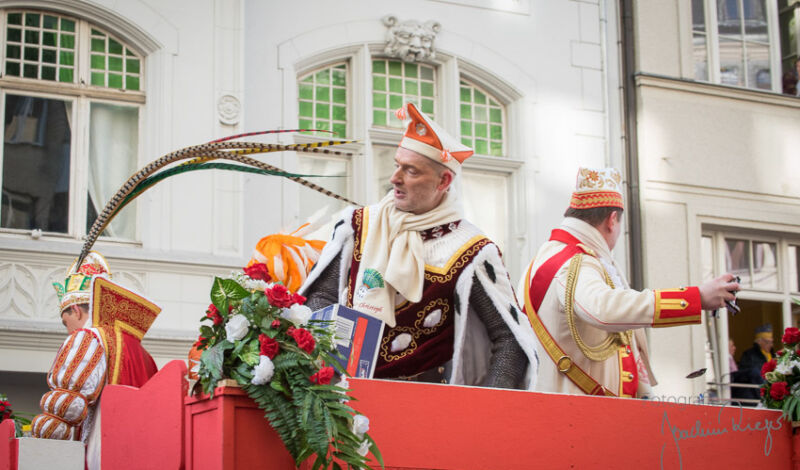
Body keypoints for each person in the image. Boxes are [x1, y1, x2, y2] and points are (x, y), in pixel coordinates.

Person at [300, 102, 538, 389]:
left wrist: (482, 412)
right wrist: (328, 364)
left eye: (411, 171)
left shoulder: (472, 250)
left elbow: (510, 338)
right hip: (345, 394)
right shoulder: (358, 225)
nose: (394, 179)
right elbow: (320, 297)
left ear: (444, 180)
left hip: (425, 405)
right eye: (397, 165)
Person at [520, 167, 739, 397]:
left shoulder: (548, 257)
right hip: (579, 416)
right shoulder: (576, 262)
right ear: (612, 220)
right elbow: (603, 309)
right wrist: (695, 298)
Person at [30, 252, 161, 470]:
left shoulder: (88, 337)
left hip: (102, 455)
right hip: (141, 456)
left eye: (66, 322)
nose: (68, 330)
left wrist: (36, 449)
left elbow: (64, 408)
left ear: (75, 309)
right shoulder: (143, 353)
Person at [733, 324, 774, 405]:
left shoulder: (773, 355)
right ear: (759, 342)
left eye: (771, 342)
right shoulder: (749, 355)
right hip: (755, 396)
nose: (770, 345)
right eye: (767, 342)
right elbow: (746, 375)